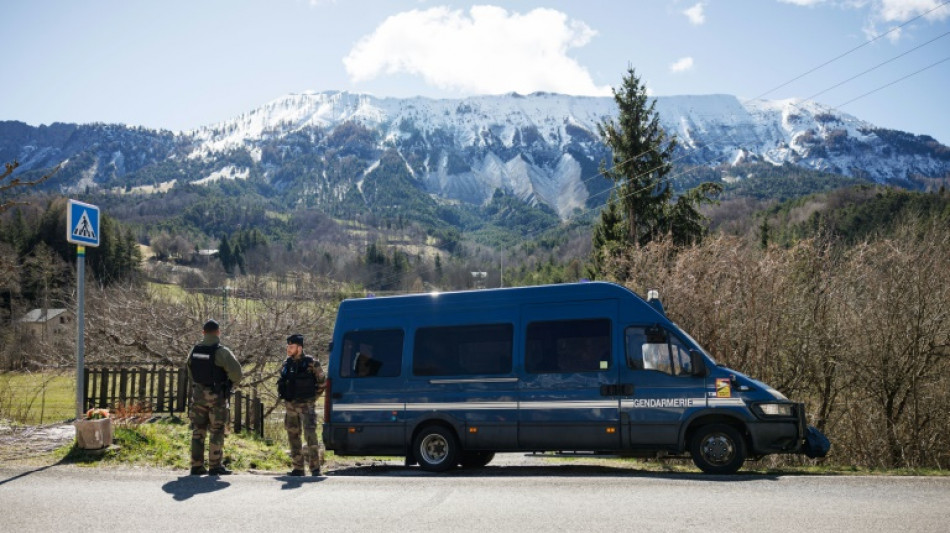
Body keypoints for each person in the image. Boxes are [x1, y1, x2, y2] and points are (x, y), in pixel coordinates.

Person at [185, 319, 243, 476]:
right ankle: (215, 466)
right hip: (217, 397)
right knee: (216, 430)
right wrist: (230, 385)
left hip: (198, 396)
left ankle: (196, 466)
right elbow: (237, 373)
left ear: (203, 333)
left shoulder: (194, 350)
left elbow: (189, 370)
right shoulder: (222, 352)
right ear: (218, 332)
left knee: (198, 430)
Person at [278, 333, 327, 476]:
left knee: (310, 436)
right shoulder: (286, 363)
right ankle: (298, 468)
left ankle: (315, 468)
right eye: (288, 346)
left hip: (307, 406)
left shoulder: (312, 363)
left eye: (291, 346)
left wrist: (312, 398)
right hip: (291, 406)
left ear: (299, 348)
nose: (288, 349)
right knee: (293, 436)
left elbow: (322, 382)